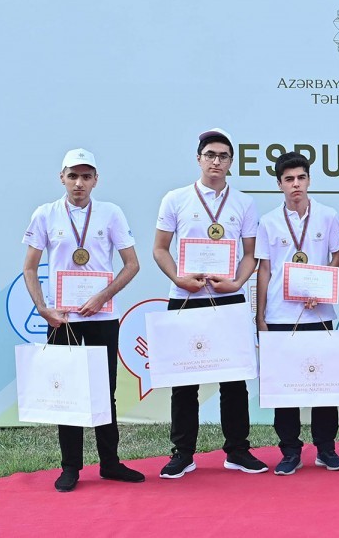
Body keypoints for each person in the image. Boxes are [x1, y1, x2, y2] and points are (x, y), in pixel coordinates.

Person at [21, 148, 144, 492]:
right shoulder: (45, 214)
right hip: (62, 319)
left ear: (95, 180)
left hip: (103, 316)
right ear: (61, 177)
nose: (79, 183)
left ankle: (110, 463)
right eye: (73, 175)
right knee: (67, 392)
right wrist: (43, 308)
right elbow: (29, 267)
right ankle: (70, 467)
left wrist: (102, 296)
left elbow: (132, 264)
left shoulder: (111, 213)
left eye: (86, 176)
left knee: (106, 391)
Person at [153, 128, 265, 478]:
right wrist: (178, 278)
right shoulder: (176, 199)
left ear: (231, 162)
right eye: (210, 155)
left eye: (223, 156)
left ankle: (238, 451)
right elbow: (160, 248)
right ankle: (183, 454)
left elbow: (251, 254)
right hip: (185, 298)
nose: (216, 161)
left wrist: (237, 283)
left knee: (235, 381)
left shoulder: (244, 203)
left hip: (229, 298)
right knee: (184, 382)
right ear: (198, 159)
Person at [255, 152, 339, 475]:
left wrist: (321, 287)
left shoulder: (328, 216)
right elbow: (264, 270)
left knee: (324, 385)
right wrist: (260, 316)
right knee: (285, 387)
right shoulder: (268, 221)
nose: (296, 184)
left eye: (301, 178)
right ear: (279, 184)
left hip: (319, 313)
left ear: (309, 180)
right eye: (289, 179)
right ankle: (290, 451)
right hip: (280, 315)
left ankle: (326, 449)